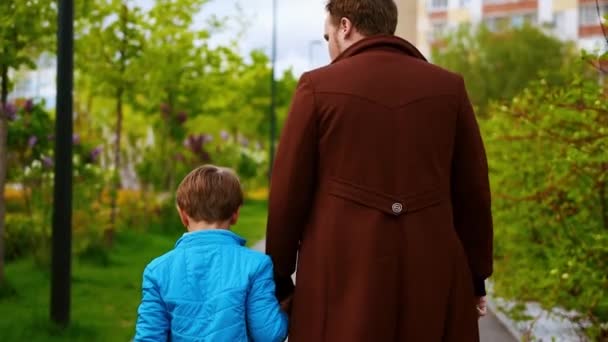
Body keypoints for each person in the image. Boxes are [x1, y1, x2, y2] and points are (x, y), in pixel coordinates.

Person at [266, 0, 493, 340]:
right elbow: (473, 194)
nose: (329, 47)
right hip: (433, 284)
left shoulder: (316, 88)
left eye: (327, 36)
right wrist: (476, 276)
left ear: (344, 27)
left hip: (339, 289)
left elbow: (287, 196)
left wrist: (280, 278)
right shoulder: (450, 88)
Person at [135, 165, 288, 342]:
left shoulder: (157, 271)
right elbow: (269, 335)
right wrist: (286, 310)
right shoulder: (256, 265)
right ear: (235, 214)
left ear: (183, 215)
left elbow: (148, 338)